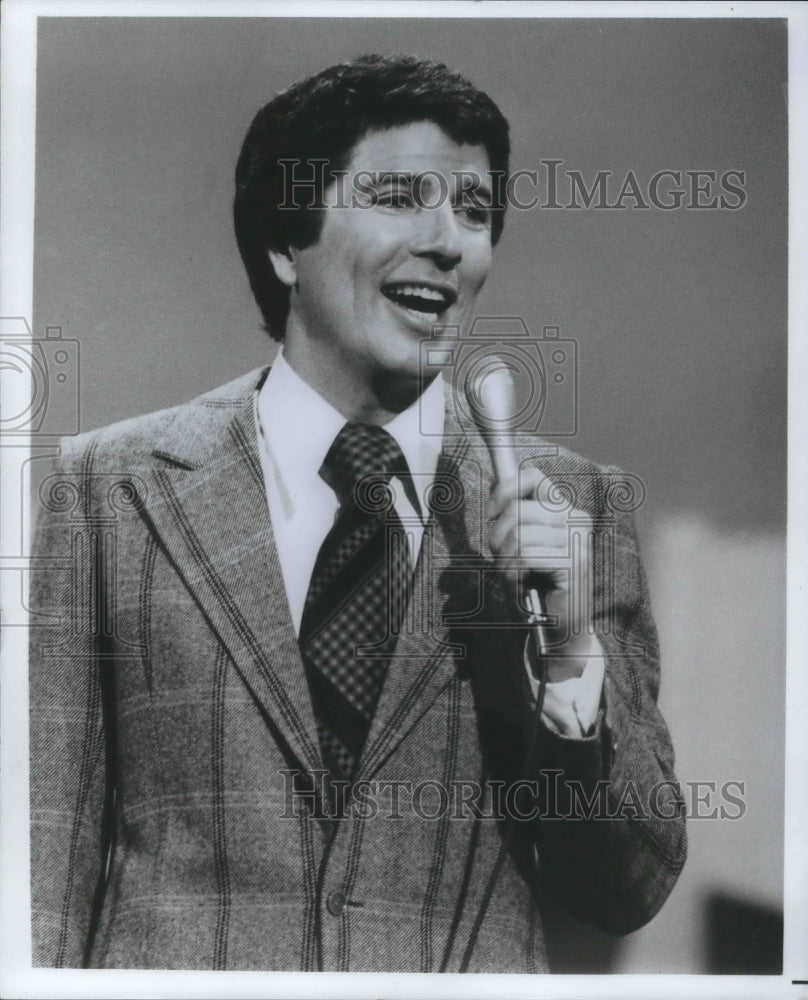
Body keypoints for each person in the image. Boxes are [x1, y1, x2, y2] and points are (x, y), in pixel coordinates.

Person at [29, 54, 686, 972]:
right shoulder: (109, 489)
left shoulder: (573, 511)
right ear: (282, 243)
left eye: (474, 210)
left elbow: (629, 886)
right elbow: (38, 865)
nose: (448, 240)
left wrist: (568, 658)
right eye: (398, 196)